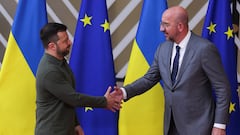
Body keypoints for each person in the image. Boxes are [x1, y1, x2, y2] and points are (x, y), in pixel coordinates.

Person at [115, 6, 231, 135]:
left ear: (180, 26)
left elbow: (222, 88)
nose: (161, 29)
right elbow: (149, 78)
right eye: (161, 24)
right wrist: (124, 92)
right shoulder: (162, 49)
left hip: (199, 126)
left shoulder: (204, 49)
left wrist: (220, 125)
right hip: (171, 125)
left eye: (166, 25)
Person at [35, 22, 121, 135]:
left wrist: (76, 124)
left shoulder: (61, 63)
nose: (70, 42)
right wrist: (104, 102)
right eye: (65, 41)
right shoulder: (50, 71)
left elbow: (66, 99)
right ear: (52, 46)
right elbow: (73, 98)